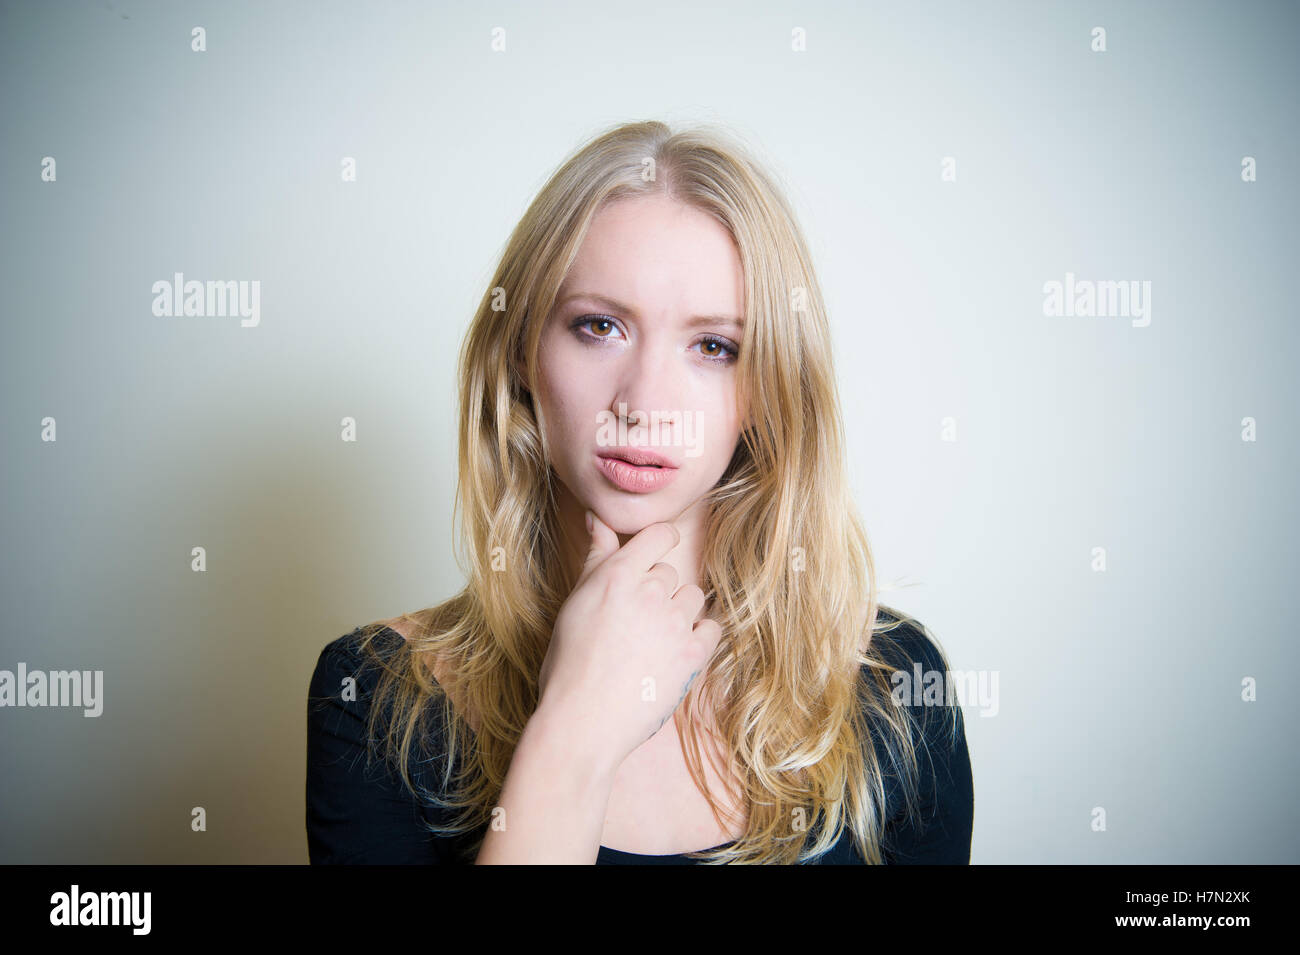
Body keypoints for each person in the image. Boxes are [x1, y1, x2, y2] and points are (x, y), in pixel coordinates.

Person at [306, 120, 974, 864]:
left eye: (715, 346)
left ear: (768, 391)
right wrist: (575, 730)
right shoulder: (375, 696)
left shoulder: (896, 685)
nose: (647, 400)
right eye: (598, 326)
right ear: (522, 351)